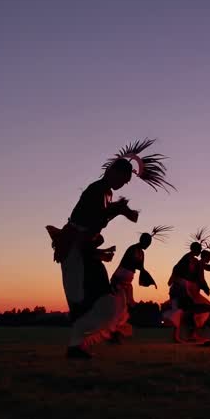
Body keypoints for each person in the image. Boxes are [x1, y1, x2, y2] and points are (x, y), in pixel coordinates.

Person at [46, 139, 172, 359]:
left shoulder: (105, 192)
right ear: (113, 171)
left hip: (83, 250)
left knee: (98, 300)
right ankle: (76, 346)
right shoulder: (97, 189)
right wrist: (120, 211)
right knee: (92, 301)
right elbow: (95, 218)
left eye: (125, 182)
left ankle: (77, 346)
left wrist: (119, 209)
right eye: (122, 179)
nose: (122, 184)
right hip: (76, 250)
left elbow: (98, 217)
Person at [109, 225, 171, 342]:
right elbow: (133, 263)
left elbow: (141, 268)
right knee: (121, 307)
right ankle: (113, 332)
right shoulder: (132, 249)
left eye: (149, 243)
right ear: (142, 240)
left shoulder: (141, 253)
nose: (148, 245)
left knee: (129, 306)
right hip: (118, 282)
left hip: (127, 284)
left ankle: (117, 331)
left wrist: (148, 278)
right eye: (147, 242)